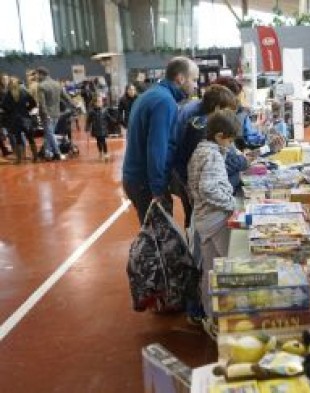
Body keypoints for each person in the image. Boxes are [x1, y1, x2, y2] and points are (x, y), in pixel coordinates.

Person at [122, 56, 199, 225]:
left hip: (135, 178)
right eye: (194, 80)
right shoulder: (165, 102)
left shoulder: (150, 94)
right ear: (180, 78)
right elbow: (157, 149)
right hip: (146, 183)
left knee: (153, 233)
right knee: (160, 237)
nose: (196, 85)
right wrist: (158, 191)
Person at [187, 108, 239, 335]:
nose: (231, 144)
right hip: (216, 219)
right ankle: (225, 318)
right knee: (228, 267)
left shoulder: (201, 150)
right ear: (219, 136)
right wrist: (232, 204)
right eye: (230, 139)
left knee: (210, 268)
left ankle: (211, 315)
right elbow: (208, 188)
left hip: (203, 219)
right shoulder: (212, 155)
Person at [173, 84, 238, 228]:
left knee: (194, 219)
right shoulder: (202, 129)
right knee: (193, 220)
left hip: (189, 180)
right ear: (216, 109)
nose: (229, 116)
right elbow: (207, 186)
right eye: (227, 111)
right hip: (190, 183)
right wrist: (232, 203)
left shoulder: (199, 119)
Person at [37, 67, 74, 160]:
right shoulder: (57, 84)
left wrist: (45, 114)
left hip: (47, 115)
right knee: (48, 133)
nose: (37, 77)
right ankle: (47, 152)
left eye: (37, 74)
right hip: (56, 114)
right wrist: (74, 104)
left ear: (41, 74)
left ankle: (57, 153)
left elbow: (42, 104)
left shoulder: (41, 86)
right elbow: (66, 97)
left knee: (50, 134)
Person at [1, 77, 37, 164]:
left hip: (14, 120)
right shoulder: (24, 92)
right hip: (25, 118)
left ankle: (19, 160)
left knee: (18, 139)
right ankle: (35, 157)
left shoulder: (8, 94)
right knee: (30, 138)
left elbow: (4, 107)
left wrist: (10, 111)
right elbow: (33, 103)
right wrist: (27, 109)